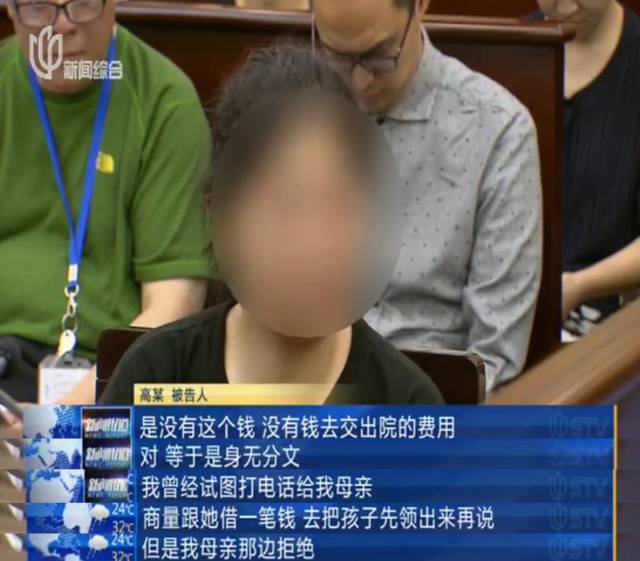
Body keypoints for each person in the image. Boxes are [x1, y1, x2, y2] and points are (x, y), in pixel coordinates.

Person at [99, 44, 444, 407]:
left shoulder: (407, 404)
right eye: (286, 208)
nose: (315, 244)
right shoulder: (155, 374)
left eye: (340, 206)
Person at [311, 0, 543, 390]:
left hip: (427, 397)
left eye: (378, 57)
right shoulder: (293, 110)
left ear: (420, 6)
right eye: (338, 57)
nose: (360, 81)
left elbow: (493, 360)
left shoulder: (496, 129)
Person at [0, 0, 211, 404]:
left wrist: (56, 422)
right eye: (39, 8)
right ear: (10, 8)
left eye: (82, 4)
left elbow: (172, 309)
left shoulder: (164, 102)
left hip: (106, 379)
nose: (63, 27)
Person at [533, 1, 640, 327]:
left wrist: (579, 286)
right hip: (513, 299)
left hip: (612, 311)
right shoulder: (510, 48)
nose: (564, 4)